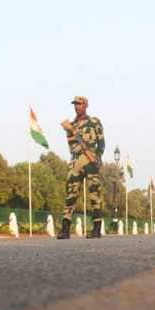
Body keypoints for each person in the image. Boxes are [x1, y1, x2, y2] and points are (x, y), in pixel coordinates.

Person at [57, 96, 105, 239]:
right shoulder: (71, 125)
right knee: (70, 196)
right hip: (76, 161)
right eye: (75, 104)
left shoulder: (94, 122)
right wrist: (71, 130)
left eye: (79, 104)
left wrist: (98, 158)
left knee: (94, 195)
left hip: (91, 162)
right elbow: (72, 146)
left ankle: (96, 228)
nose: (77, 107)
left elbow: (101, 143)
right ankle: (65, 229)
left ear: (86, 105)